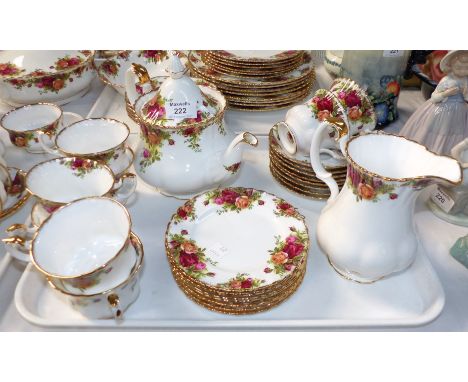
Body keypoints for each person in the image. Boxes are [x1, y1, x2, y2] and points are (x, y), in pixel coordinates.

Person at [399, 50, 468, 155]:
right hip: (442, 110)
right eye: (458, 68)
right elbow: (434, 97)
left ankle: (452, 154)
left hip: (460, 112)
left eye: (466, 68)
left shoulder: (466, 81)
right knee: (437, 131)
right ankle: (433, 151)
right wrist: (446, 94)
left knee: (457, 133)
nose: (462, 71)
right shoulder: (446, 80)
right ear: (451, 66)